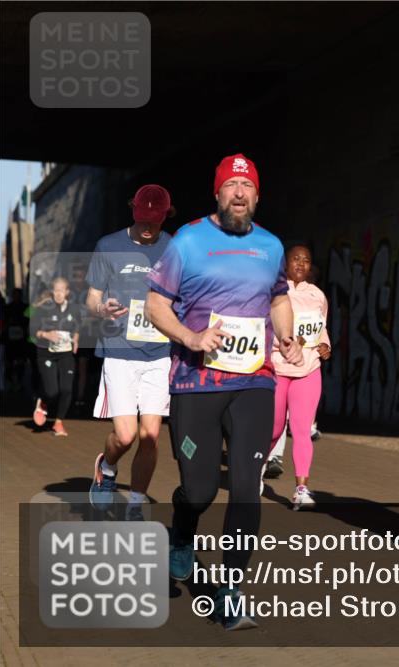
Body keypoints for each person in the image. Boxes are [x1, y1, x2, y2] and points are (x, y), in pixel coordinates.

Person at [146, 153, 303, 631]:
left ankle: (230, 589)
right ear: (217, 193)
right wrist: (191, 338)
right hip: (196, 383)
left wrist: (288, 335)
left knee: (244, 488)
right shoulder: (188, 241)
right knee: (198, 489)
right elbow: (156, 305)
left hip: (254, 381)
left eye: (247, 186)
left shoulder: (272, 246)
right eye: (231, 185)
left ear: (257, 195)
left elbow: (278, 297)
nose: (239, 193)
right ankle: (182, 531)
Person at [86, 185, 174, 519]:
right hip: (120, 352)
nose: (148, 225)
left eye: (155, 219)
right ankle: (107, 469)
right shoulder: (108, 246)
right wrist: (101, 308)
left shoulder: (175, 248)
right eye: (142, 218)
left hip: (160, 352)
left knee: (150, 435)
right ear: (133, 211)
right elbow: (91, 297)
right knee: (125, 436)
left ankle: (135, 504)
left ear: (165, 215)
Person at [264, 244, 331, 509]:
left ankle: (301, 489)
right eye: (295, 259)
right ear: (285, 264)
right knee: (274, 428)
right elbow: (264, 330)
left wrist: (325, 345)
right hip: (279, 369)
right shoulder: (273, 293)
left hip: (309, 369)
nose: (301, 264)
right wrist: (287, 342)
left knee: (302, 430)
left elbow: (321, 328)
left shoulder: (317, 295)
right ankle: (257, 469)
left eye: (306, 260)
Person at [30, 277, 81, 436]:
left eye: (62, 290)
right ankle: (43, 401)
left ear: (67, 292)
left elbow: (77, 327)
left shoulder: (73, 309)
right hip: (46, 353)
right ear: (52, 291)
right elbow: (32, 332)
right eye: (56, 290)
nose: (58, 294)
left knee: (66, 389)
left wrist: (76, 339)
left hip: (65, 353)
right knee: (52, 391)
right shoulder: (44, 307)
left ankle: (58, 423)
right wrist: (46, 334)